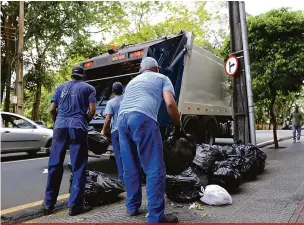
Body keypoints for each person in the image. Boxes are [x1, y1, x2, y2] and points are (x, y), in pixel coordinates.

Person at [117, 57, 183, 223]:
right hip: (142, 118)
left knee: (130, 166)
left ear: (141, 70)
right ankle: (155, 215)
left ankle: (132, 206)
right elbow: (169, 104)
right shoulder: (162, 78)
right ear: (157, 68)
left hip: (122, 120)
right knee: (154, 167)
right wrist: (178, 125)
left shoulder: (132, 82)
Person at [43, 66, 96, 216]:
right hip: (77, 127)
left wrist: (56, 123)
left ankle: (48, 204)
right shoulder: (89, 88)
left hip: (59, 127)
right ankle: (75, 206)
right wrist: (84, 121)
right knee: (78, 167)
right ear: (83, 76)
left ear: (72, 75)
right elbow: (92, 110)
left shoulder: (60, 88)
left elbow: (52, 109)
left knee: (54, 165)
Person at [101, 82, 124, 183]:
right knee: (131, 152)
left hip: (117, 131)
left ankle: (122, 178)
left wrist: (103, 130)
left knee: (119, 154)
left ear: (113, 91)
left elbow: (108, 118)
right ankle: (137, 175)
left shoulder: (111, 102)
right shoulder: (127, 100)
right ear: (122, 89)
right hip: (129, 129)